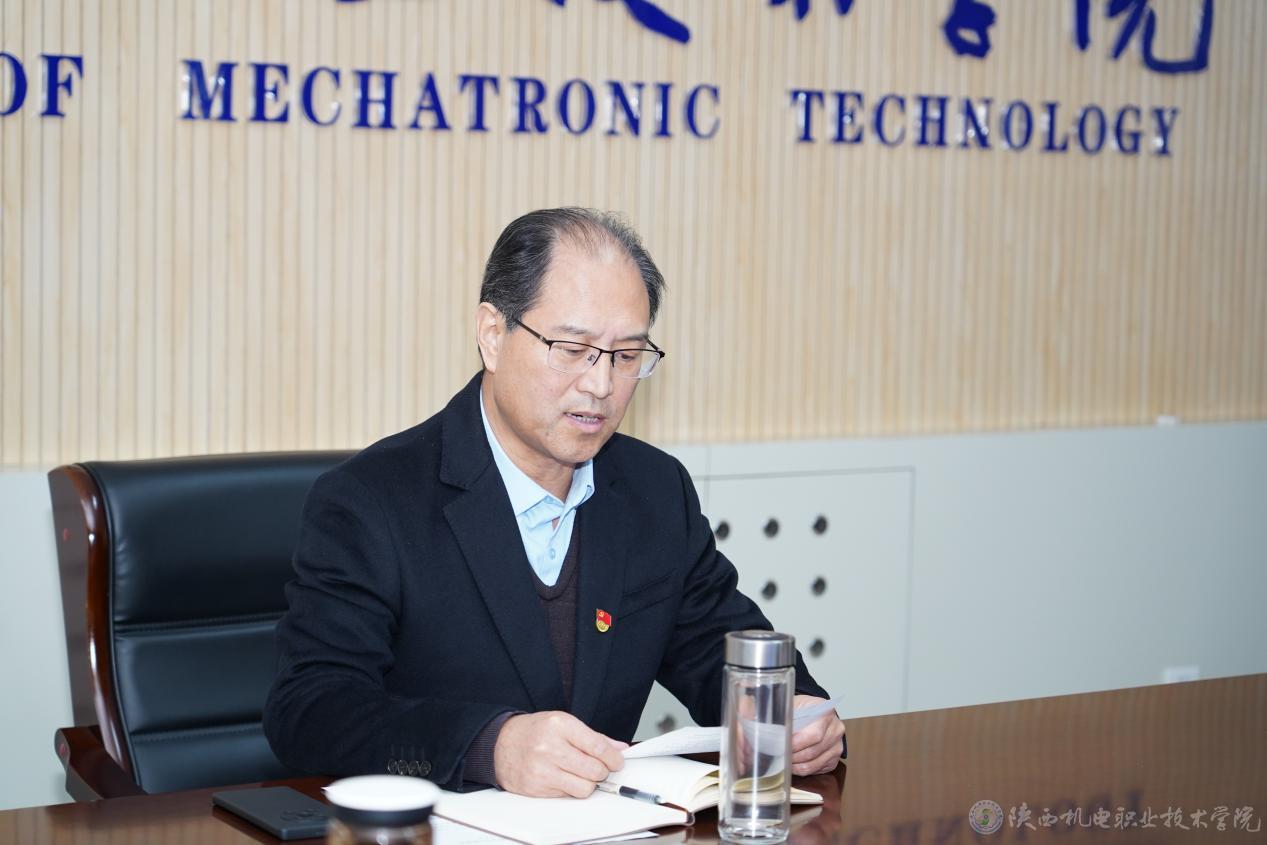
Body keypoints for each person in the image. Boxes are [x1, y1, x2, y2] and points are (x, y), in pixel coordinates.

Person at [264, 208, 845, 797]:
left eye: (626, 356)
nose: (600, 384)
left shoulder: (653, 489)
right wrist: (488, 747)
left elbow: (720, 649)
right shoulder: (372, 501)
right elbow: (311, 711)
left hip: (612, 828)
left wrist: (793, 712)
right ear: (493, 334)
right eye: (572, 348)